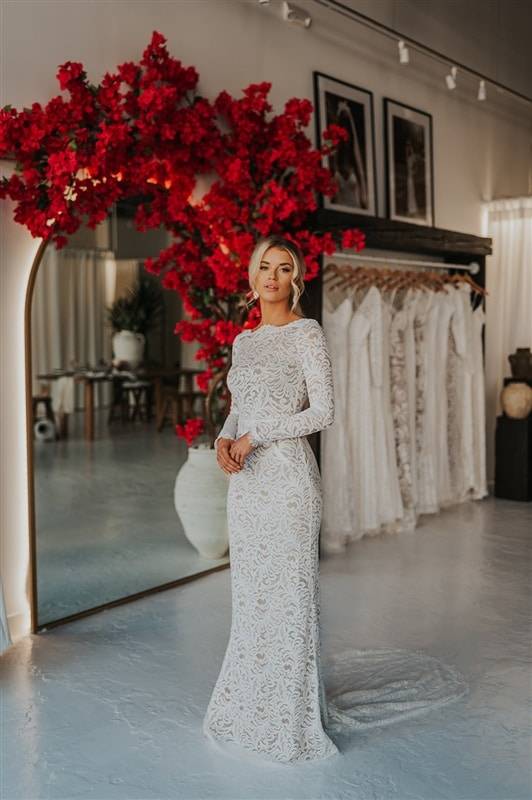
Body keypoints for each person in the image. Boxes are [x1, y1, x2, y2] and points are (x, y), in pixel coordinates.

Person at [202, 235, 340, 763]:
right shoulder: (244, 340)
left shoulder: (308, 334)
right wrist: (222, 437)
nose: (274, 277)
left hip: (287, 482)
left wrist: (255, 437)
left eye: (284, 268)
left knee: (290, 598)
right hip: (248, 487)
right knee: (252, 598)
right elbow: (240, 409)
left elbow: (322, 413)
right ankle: (251, 708)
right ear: (253, 277)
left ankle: (291, 718)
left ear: (296, 279)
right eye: (265, 267)